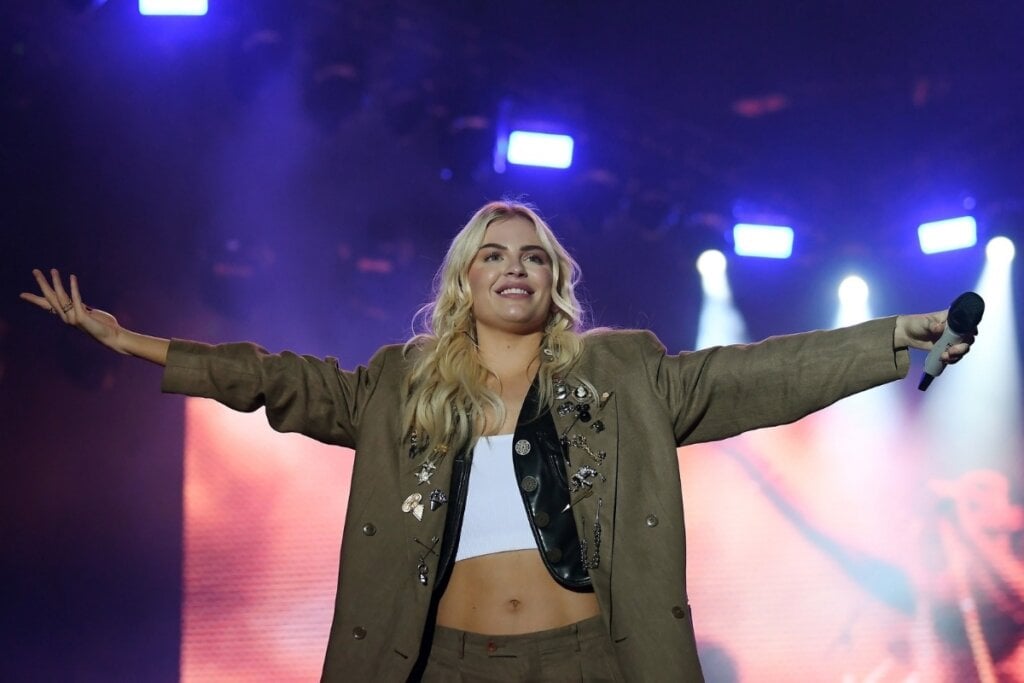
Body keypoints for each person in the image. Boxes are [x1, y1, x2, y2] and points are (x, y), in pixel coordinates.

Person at [21, 200, 974, 682]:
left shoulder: (622, 373)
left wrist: (893, 334)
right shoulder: (398, 386)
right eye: (493, 252)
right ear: (462, 279)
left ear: (554, 281)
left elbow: (757, 375)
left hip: (587, 657)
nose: (513, 267)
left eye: (532, 256)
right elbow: (276, 379)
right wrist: (131, 339)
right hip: (441, 659)